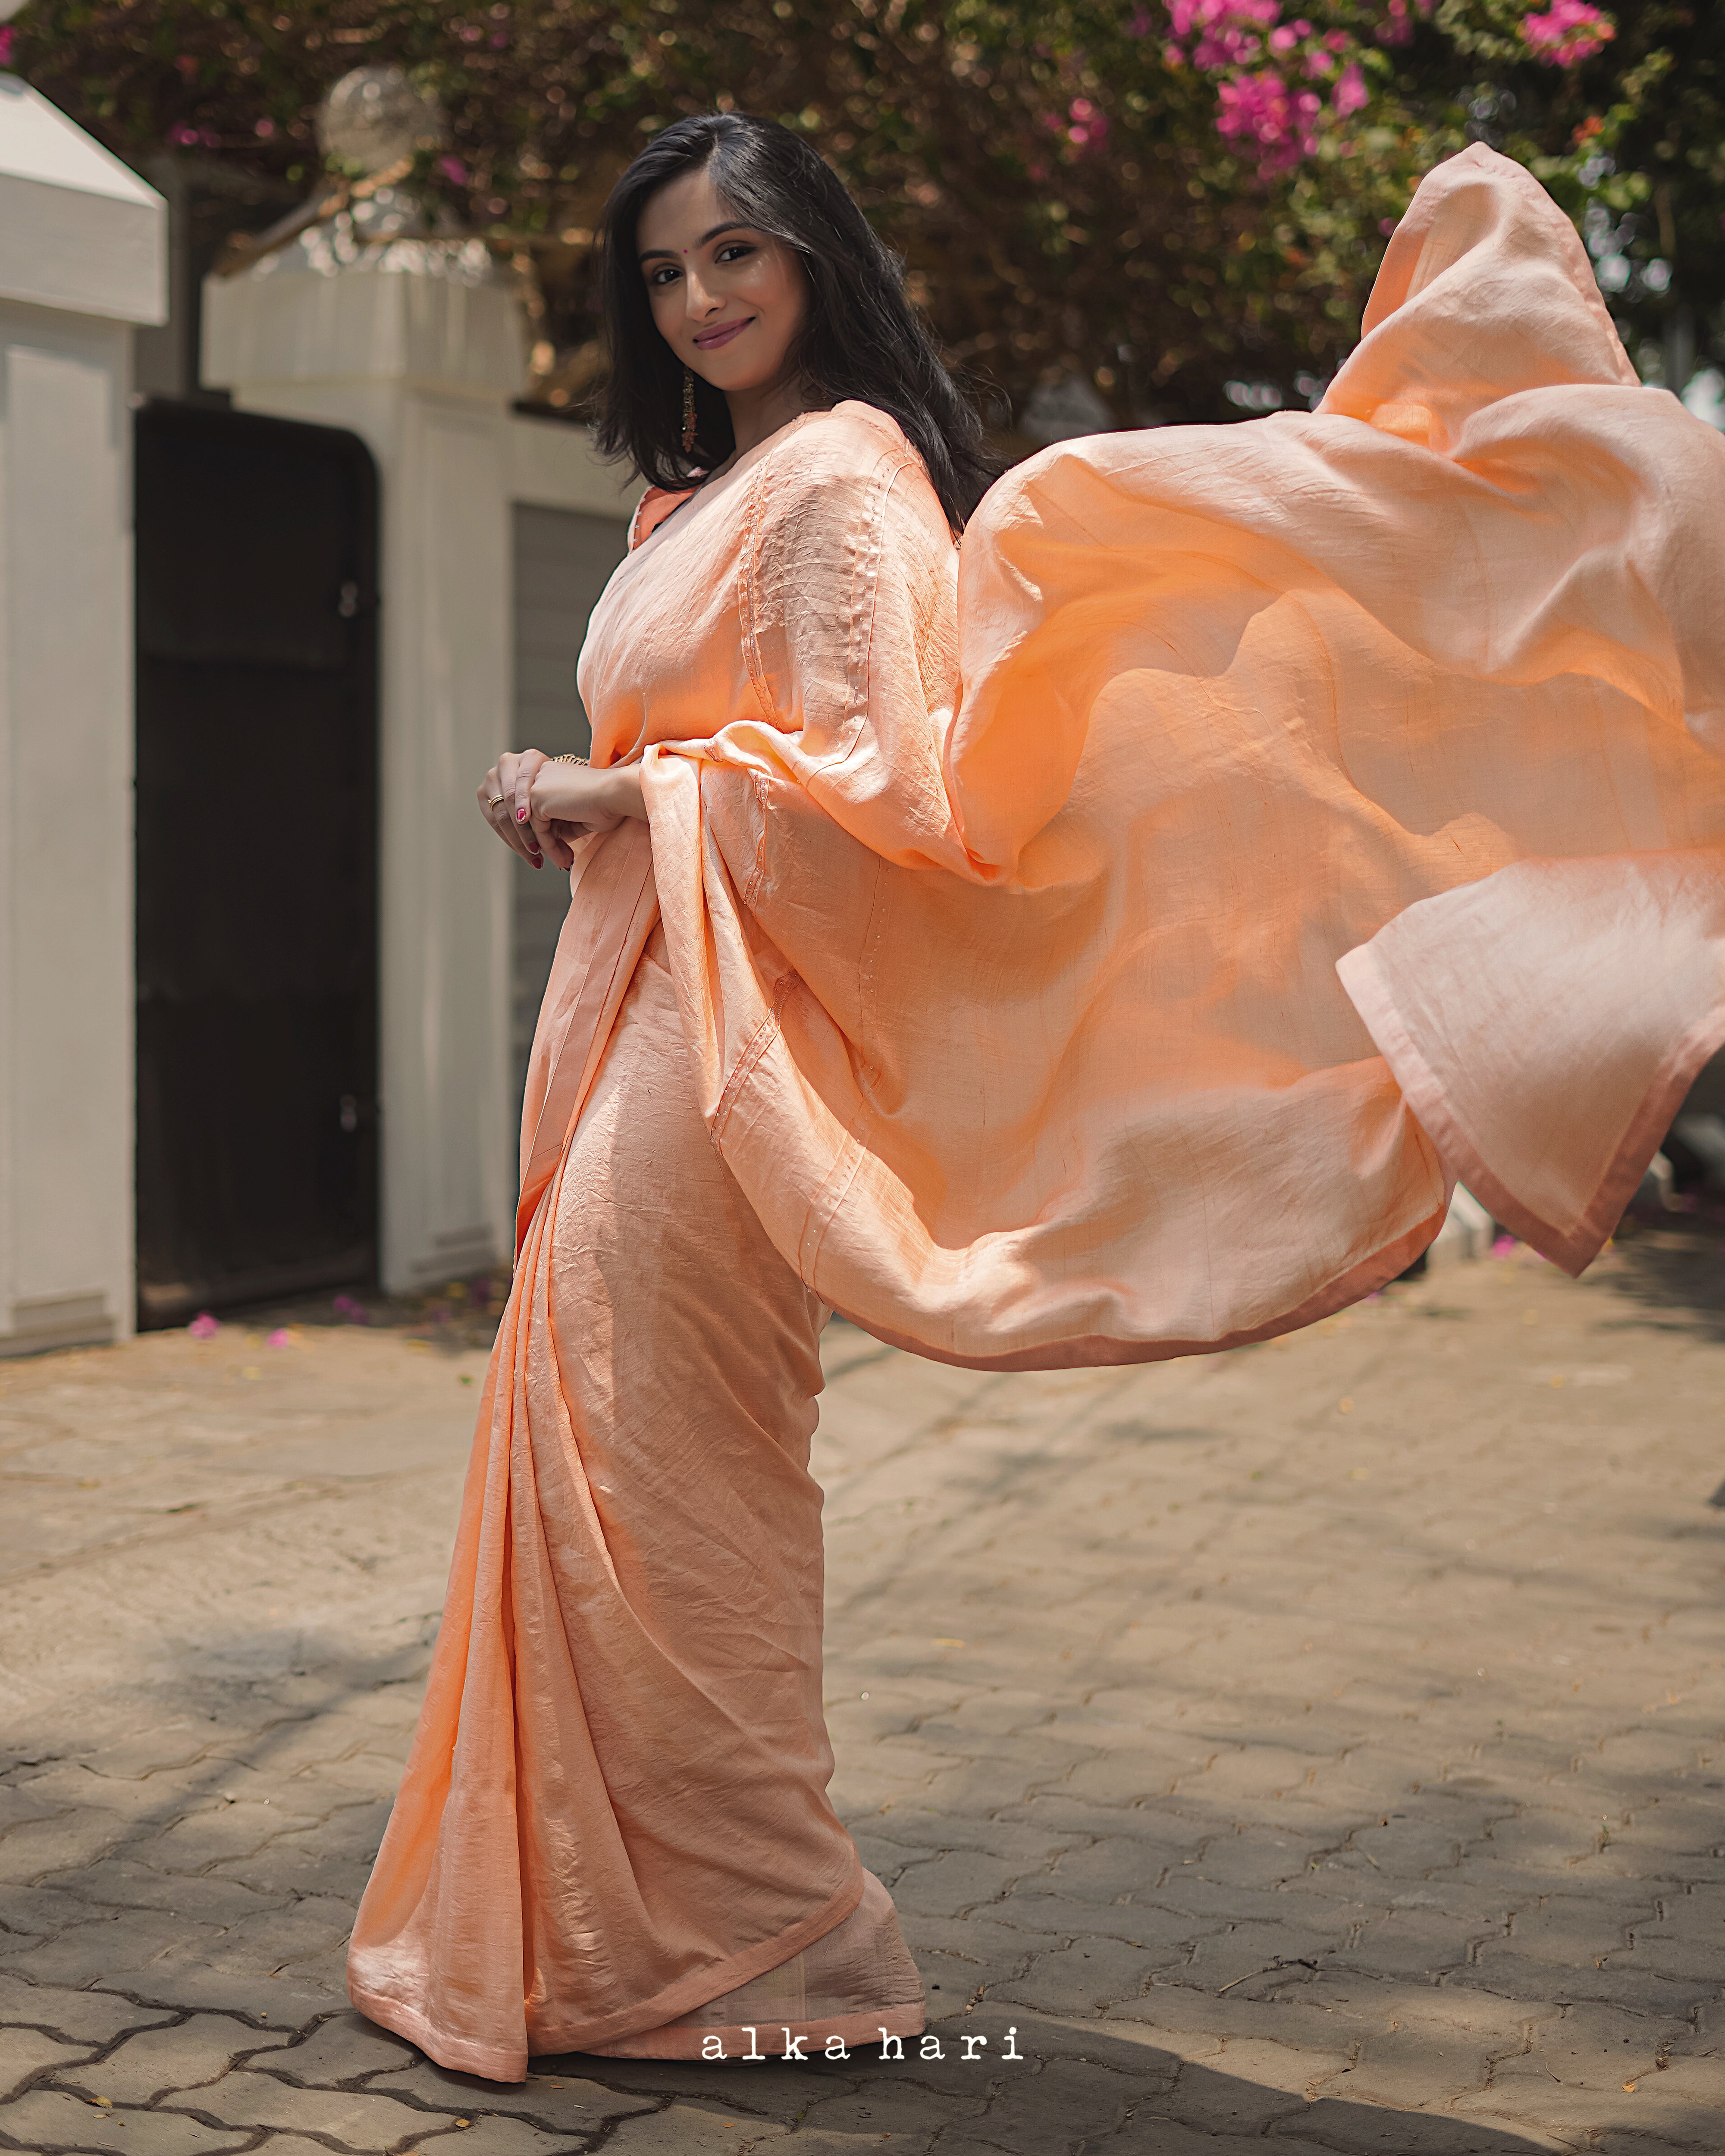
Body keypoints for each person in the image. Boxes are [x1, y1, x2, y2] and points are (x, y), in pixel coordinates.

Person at [346, 113, 1725, 2081]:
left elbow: (901, 802)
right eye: (663, 272)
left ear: (813, 255)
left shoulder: (841, 479)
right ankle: (612, 1932)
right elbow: (761, 759)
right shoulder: (694, 503)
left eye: (734, 253)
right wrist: (600, 809)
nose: (702, 298)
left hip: (715, 1045)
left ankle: (774, 1947)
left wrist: (628, 789)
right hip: (629, 999)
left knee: (665, 1482)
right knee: (602, 1463)